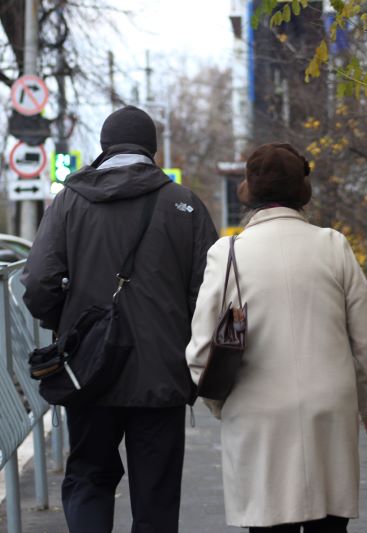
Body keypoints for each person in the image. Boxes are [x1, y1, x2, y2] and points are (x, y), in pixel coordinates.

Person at [21, 105, 218, 533]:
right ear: (153, 149)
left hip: (89, 371)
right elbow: (211, 292)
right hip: (162, 374)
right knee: (156, 495)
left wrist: (68, 324)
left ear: (104, 148)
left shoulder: (70, 201)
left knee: (90, 477)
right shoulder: (184, 204)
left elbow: (39, 281)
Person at [186, 143, 367, 533]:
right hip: (328, 411)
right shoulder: (333, 246)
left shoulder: (227, 253)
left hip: (257, 415)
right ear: (303, 191)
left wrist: (220, 403)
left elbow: (200, 350)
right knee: (329, 524)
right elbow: (366, 337)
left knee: (268, 524)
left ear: (248, 191)